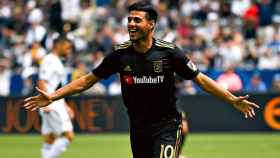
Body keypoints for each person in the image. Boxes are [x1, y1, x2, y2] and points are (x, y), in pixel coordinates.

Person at [24, 2, 259, 158]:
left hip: (167, 125)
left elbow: (201, 80)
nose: (131, 24)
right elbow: (87, 80)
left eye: (137, 20)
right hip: (138, 128)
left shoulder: (170, 53)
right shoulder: (120, 54)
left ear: (151, 25)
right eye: (129, 20)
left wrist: (231, 99)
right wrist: (53, 96)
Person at [37, 36, 74, 158]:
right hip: (51, 103)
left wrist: (66, 106)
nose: (69, 51)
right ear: (58, 45)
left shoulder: (56, 60)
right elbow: (42, 80)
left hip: (54, 102)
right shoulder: (50, 59)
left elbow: (57, 87)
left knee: (50, 138)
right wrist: (46, 101)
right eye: (67, 48)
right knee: (68, 136)